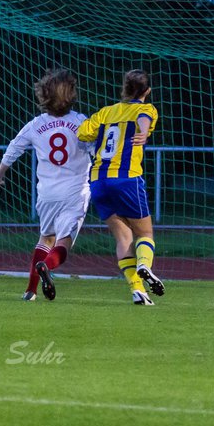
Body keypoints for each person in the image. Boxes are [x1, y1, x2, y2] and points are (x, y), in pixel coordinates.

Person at [0, 68, 93, 301]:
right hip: (75, 192)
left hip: (47, 194)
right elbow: (97, 150)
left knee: (46, 238)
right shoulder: (81, 122)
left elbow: (13, 148)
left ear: (44, 96)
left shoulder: (36, 124)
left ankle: (30, 291)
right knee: (63, 243)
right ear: (71, 94)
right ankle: (47, 265)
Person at [76, 69, 162, 306]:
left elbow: (83, 133)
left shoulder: (106, 112)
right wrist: (143, 133)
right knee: (144, 234)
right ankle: (144, 265)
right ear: (147, 91)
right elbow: (142, 119)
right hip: (126, 179)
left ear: (124, 88)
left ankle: (138, 291)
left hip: (98, 180)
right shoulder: (146, 108)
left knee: (123, 237)